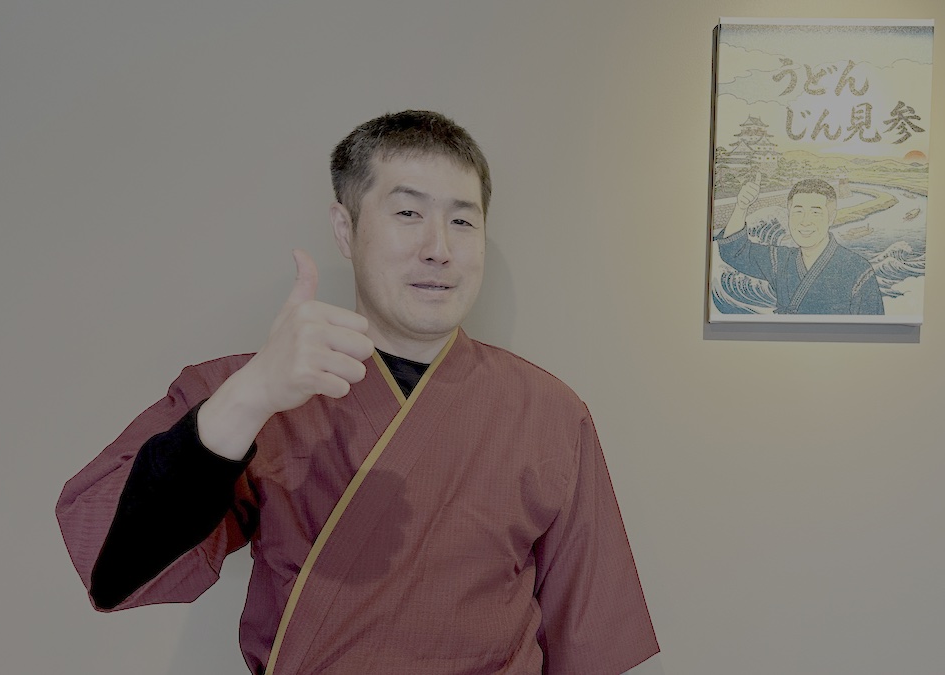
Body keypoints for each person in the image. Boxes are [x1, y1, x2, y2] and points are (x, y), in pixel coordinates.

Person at [56, 111, 658, 675]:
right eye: (408, 213)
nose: (439, 248)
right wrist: (252, 395)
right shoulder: (250, 392)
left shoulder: (550, 413)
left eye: (462, 221)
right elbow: (113, 568)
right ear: (345, 229)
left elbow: (590, 643)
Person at [715, 174, 884, 315]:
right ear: (788, 215)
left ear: (831, 217)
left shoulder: (858, 269)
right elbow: (733, 251)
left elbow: (872, 330)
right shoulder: (780, 260)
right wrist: (741, 207)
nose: (805, 221)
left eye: (815, 212)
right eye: (798, 211)